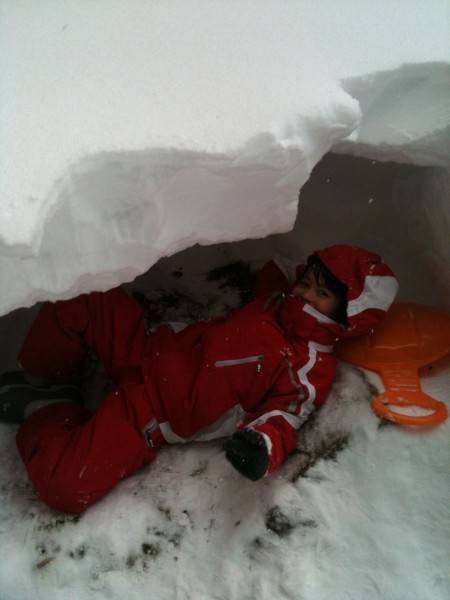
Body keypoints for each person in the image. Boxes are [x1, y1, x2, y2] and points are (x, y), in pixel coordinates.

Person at [0, 244, 399, 513]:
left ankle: (51, 409)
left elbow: (286, 418)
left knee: (64, 486)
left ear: (347, 316)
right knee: (80, 295)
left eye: (321, 294)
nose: (306, 295)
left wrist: (262, 447)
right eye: (306, 282)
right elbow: (273, 281)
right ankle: (48, 376)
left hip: (150, 413)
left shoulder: (308, 367)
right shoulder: (279, 302)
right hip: (151, 347)